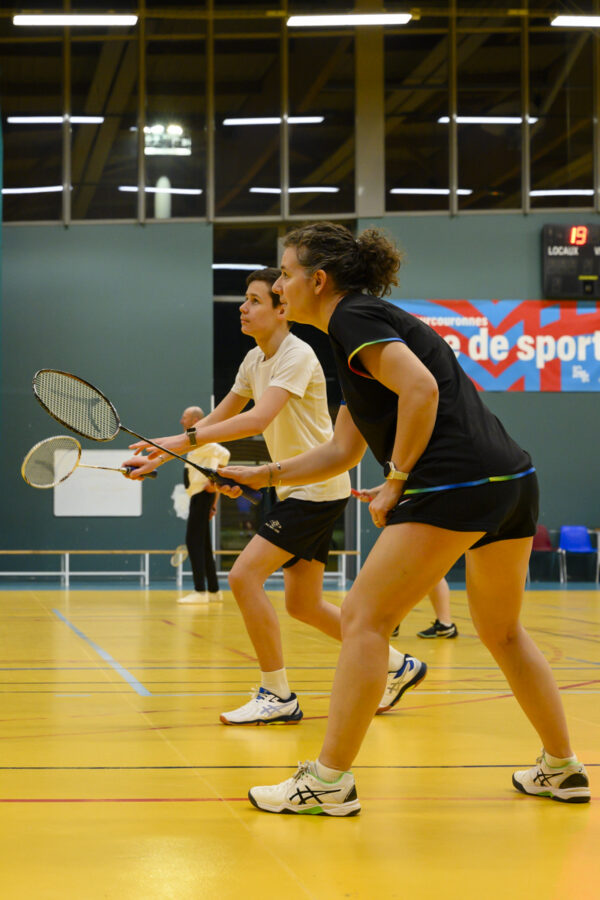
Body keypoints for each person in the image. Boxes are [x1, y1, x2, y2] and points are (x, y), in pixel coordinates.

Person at [213, 222, 589, 814]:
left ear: (319, 279)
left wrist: (396, 480)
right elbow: (340, 452)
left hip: (454, 480)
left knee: (363, 618)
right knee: (503, 631)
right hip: (509, 481)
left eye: (284, 274)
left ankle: (329, 781)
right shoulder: (356, 339)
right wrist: (270, 474)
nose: (279, 285)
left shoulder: (353, 319)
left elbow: (420, 390)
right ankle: (563, 767)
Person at [123, 267, 426, 725]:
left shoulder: (296, 354)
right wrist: (159, 454)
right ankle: (396, 663)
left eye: (254, 300)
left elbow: (255, 420)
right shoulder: (254, 360)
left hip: (315, 488)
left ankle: (277, 693)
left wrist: (176, 445)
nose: (243, 308)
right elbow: (213, 422)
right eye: (243, 300)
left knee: (244, 577)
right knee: (302, 604)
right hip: (297, 487)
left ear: (281, 308)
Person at [354, 485, 458, 638]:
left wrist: (381, 493)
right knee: (429, 569)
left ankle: (391, 621)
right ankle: (444, 624)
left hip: (422, 506)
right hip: (427, 505)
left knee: (401, 567)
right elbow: (405, 476)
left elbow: (406, 474)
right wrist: (376, 492)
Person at [179, 405, 230, 604]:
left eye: (184, 417)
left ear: (194, 421)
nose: (181, 421)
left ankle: (199, 591)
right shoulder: (195, 443)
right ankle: (214, 590)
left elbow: (224, 453)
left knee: (192, 541)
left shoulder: (203, 441)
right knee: (204, 544)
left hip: (201, 496)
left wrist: (215, 484)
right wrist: (215, 499)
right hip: (201, 497)